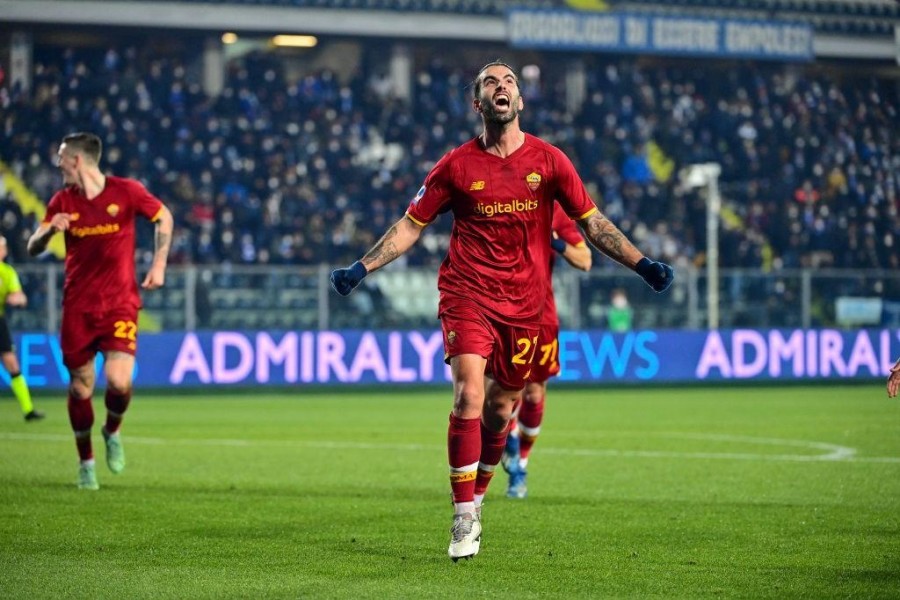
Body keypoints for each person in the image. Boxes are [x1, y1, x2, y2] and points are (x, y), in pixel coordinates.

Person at [330, 61, 674, 561]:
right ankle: (463, 513)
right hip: (467, 294)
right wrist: (360, 268)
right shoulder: (455, 166)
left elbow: (592, 223)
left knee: (498, 410)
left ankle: (481, 494)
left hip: (527, 307)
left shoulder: (551, 161)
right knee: (470, 393)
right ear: (478, 103)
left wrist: (642, 264)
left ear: (520, 101)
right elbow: (410, 224)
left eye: (509, 81)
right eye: (491, 82)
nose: (501, 87)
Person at [27, 132, 173, 491]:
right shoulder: (62, 200)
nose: (58, 164)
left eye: (61, 158)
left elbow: (163, 217)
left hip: (120, 303)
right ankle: (86, 462)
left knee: (120, 382)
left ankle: (112, 429)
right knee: (80, 389)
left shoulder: (126, 191)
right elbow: (32, 246)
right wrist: (48, 234)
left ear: (77, 160)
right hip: (78, 307)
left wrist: (159, 265)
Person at [502, 202, 592, 499]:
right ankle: (507, 437)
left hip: (542, 316)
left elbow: (584, 259)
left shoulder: (554, 212)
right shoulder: (495, 201)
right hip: (498, 312)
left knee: (534, 392)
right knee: (502, 389)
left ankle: (520, 466)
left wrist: (553, 241)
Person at [0, 235, 44, 422]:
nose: (3, 249)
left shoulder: (7, 272)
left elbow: (20, 296)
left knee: (12, 363)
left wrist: (17, 299)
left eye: (3, 246)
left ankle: (28, 410)